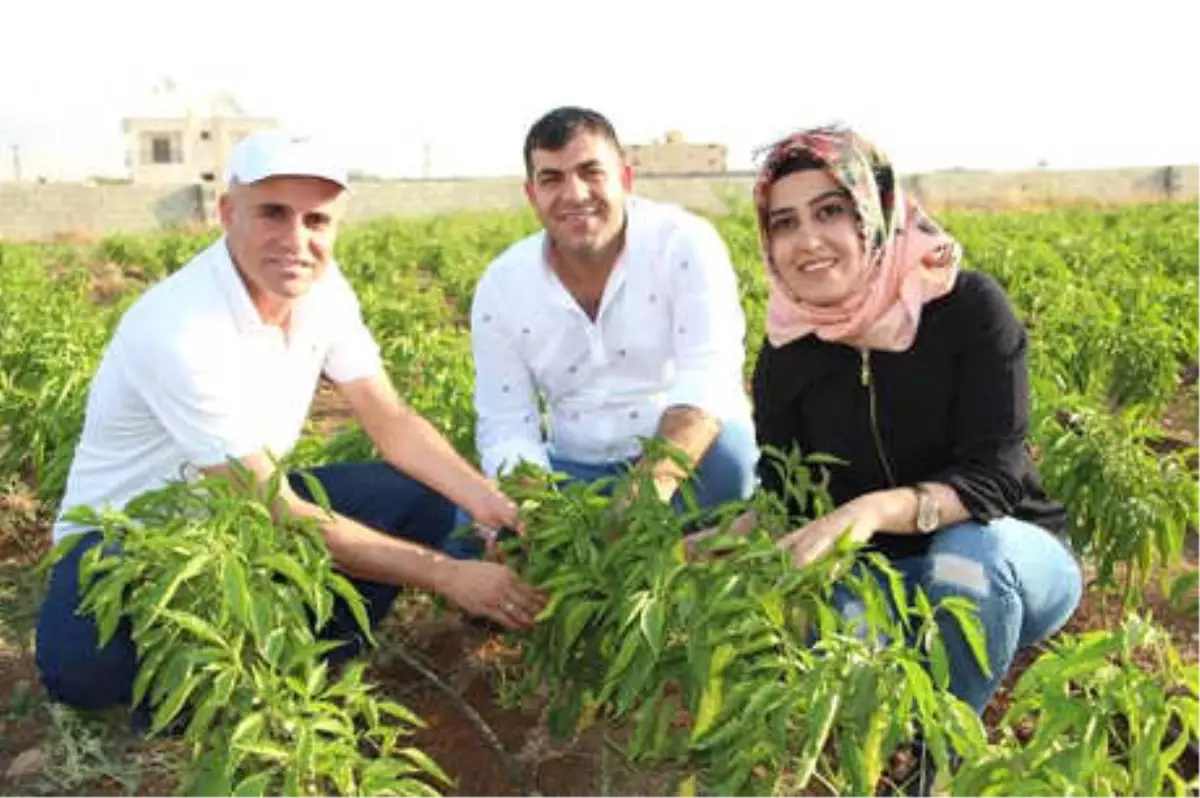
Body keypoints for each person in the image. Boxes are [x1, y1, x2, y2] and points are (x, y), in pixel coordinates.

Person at [35, 129, 546, 720]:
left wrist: (491, 503)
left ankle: (304, 661)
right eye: (273, 213)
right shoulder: (178, 327)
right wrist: (446, 574)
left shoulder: (323, 290)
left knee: (418, 497)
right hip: (127, 537)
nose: (296, 240)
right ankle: (209, 683)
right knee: (83, 674)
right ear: (227, 214)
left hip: (235, 521)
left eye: (317, 220)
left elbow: (392, 421)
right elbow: (271, 505)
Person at [736, 124, 1082, 718]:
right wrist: (713, 541)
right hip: (881, 575)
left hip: (1008, 559)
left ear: (874, 212)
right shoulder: (788, 349)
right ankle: (886, 743)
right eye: (784, 222)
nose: (808, 240)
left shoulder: (966, 308)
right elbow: (784, 488)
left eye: (830, 212)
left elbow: (996, 479)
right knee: (838, 619)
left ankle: (941, 751)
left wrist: (870, 510)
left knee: (967, 558)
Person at [445, 107, 758, 557]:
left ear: (626, 179)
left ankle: (675, 560)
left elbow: (708, 377)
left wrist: (647, 490)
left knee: (732, 461)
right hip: (573, 465)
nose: (575, 194)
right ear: (531, 194)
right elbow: (506, 421)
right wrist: (537, 510)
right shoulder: (503, 284)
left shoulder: (683, 243)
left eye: (591, 172)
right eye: (552, 179)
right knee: (471, 529)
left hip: (681, 460)